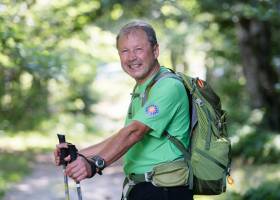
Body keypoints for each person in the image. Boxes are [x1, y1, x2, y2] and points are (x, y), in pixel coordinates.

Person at [54, 21, 193, 200]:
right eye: (125, 51)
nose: (131, 57)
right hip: (143, 188)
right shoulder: (143, 88)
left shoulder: (168, 86)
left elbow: (133, 133)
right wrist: (79, 154)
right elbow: (122, 135)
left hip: (165, 191)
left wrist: (95, 164)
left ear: (156, 51)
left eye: (138, 49)